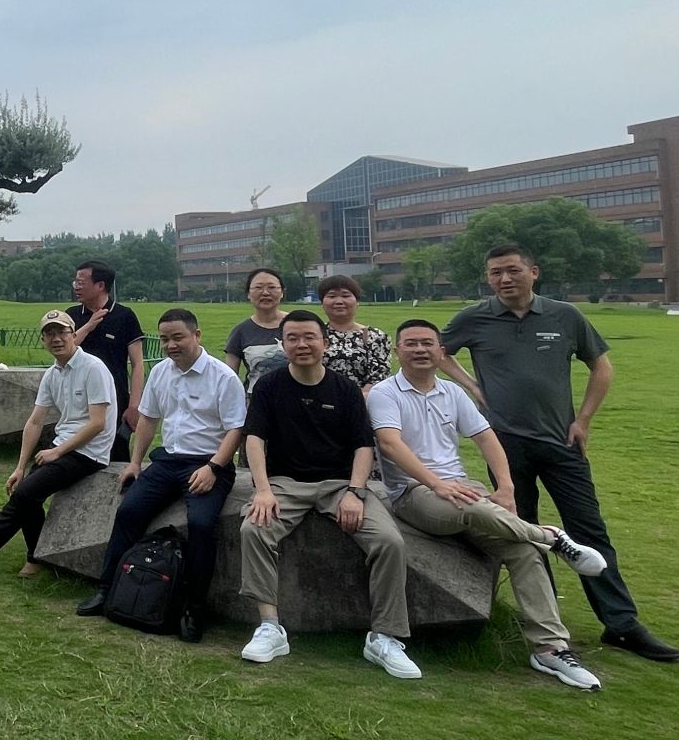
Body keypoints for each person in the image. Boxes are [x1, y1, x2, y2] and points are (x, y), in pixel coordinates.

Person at [438, 243, 679, 663]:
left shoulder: (564, 315)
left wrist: (582, 420)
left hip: (561, 443)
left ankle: (621, 624)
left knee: (589, 530)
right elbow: (438, 350)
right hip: (505, 444)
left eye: (513, 270)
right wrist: (473, 387)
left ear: (534, 272)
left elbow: (601, 366)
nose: (504, 279)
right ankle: (548, 624)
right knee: (524, 530)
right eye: (495, 273)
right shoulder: (474, 318)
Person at [369, 319, 608, 691]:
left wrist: (507, 487)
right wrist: (436, 484)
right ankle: (550, 536)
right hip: (414, 494)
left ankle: (550, 647)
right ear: (397, 351)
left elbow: (485, 437)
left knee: (523, 551)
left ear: (441, 352)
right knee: (472, 507)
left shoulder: (452, 392)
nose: (419, 350)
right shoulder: (385, 393)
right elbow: (389, 444)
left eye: (427, 343)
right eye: (411, 343)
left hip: (463, 488)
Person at [238, 310, 419, 678]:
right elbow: (254, 439)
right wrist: (263, 490)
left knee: (389, 541)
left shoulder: (345, 389)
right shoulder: (269, 386)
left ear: (325, 342)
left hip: (339, 485)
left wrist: (355, 491)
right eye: (292, 338)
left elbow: (363, 446)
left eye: (309, 337)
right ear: (283, 344)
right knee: (253, 530)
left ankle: (384, 637)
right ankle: (270, 627)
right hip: (285, 483)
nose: (301, 344)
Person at [75, 308, 245, 642]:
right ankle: (107, 588)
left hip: (208, 462)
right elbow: (149, 420)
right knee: (128, 512)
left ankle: (194, 607)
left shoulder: (223, 377)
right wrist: (135, 462)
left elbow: (236, 430)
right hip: (168, 462)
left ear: (196, 335)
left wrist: (213, 468)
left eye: (178, 337)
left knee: (201, 525)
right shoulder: (161, 372)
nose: (171, 345)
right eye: (165, 339)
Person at [0, 311, 114, 574]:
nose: (56, 339)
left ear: (74, 335)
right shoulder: (52, 374)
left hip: (90, 451)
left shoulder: (93, 368)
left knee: (26, 493)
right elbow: (35, 421)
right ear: (42, 340)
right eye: (49, 333)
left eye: (62, 332)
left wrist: (56, 452)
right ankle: (35, 557)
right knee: (25, 492)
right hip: (63, 447)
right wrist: (19, 467)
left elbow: (97, 423)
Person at [68, 259, 147, 463]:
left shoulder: (124, 316)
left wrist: (134, 406)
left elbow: (138, 364)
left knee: (116, 456)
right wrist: (89, 326)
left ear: (100, 285)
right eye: (75, 282)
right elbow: (65, 350)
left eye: (81, 282)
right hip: (77, 397)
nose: (76, 287)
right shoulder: (71, 316)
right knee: (74, 452)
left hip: (114, 399)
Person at [318, 276, 391, 390]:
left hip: (363, 398)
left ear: (357, 301)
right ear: (322, 302)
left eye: (345, 295)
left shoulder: (376, 337)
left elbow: (378, 378)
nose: (339, 301)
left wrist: (356, 398)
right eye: (331, 296)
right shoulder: (314, 335)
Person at [224, 268, 289, 392]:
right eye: (258, 287)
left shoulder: (299, 324)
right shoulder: (240, 331)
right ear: (248, 294)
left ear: (282, 292)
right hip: (256, 400)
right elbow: (229, 378)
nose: (265, 293)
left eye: (272, 287)